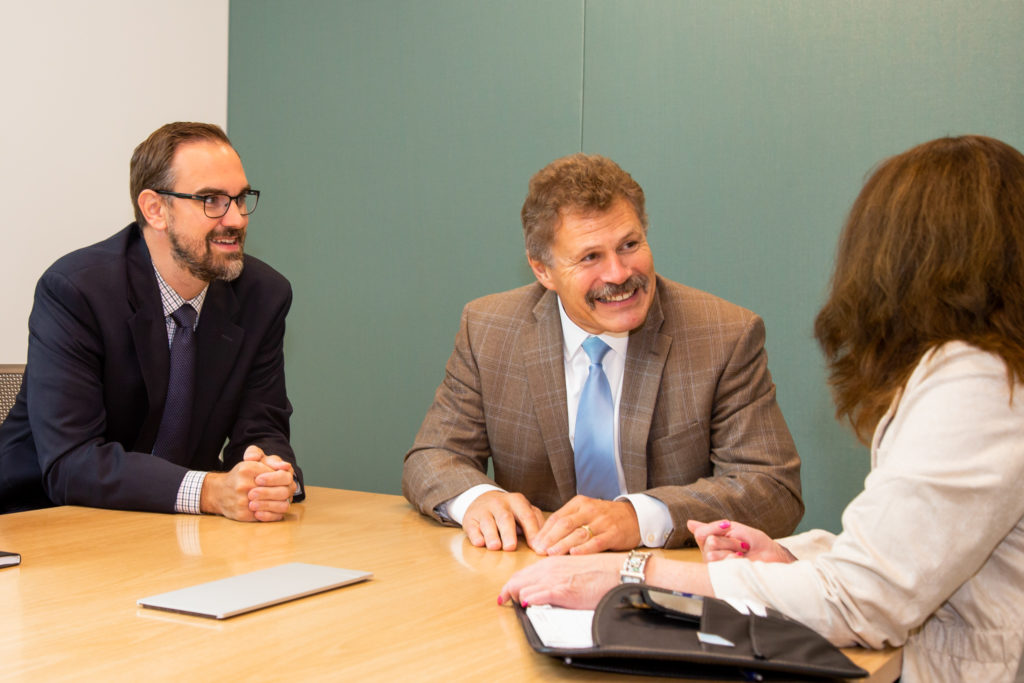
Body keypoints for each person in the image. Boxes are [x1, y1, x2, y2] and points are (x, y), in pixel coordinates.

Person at [499, 135, 1024, 681]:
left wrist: (633, 574)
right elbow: (911, 549)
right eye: (589, 256)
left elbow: (863, 600)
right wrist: (793, 559)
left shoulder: (980, 382)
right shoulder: (989, 370)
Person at [403, 153, 803, 554]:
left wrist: (641, 518)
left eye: (629, 245)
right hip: (534, 572)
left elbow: (772, 488)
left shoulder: (723, 335)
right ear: (543, 271)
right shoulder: (489, 328)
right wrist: (477, 499)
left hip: (666, 582)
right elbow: (433, 456)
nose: (618, 273)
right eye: (590, 257)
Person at [0, 122, 303, 521]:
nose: (237, 219)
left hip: (172, 531)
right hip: (41, 523)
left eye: (240, 198)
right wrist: (209, 491)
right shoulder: (77, 291)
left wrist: (268, 474)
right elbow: (71, 463)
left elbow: (261, 426)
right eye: (212, 200)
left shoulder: (262, 296)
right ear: (155, 209)